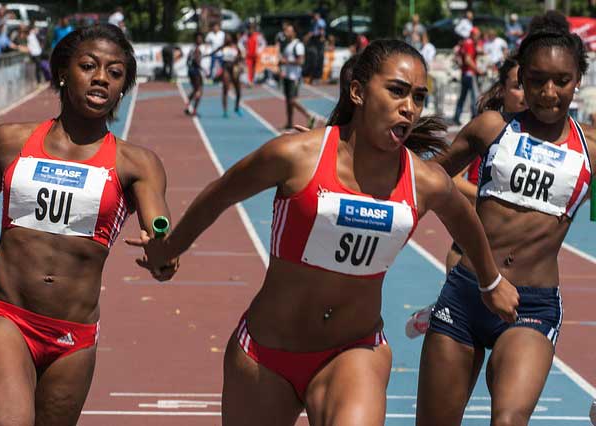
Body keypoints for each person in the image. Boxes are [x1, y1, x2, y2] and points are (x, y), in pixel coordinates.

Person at [127, 39, 518, 425]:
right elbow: (221, 194)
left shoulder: (424, 181)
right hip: (265, 354)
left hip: (353, 351)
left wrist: (491, 281)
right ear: (358, 92)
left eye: (418, 97)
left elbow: (465, 221)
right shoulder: (295, 156)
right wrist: (170, 247)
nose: (409, 107)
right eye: (397, 91)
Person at [0, 24, 176, 425]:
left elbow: (160, 232)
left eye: (115, 72)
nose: (101, 78)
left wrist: (162, 252)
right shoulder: (10, 143)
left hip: (74, 338)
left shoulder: (137, 164)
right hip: (6, 317)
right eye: (89, 66)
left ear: (123, 88)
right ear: (62, 72)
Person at [416, 12, 594, 426]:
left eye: (561, 81)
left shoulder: (590, 148)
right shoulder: (492, 128)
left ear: (578, 81)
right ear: (521, 79)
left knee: (509, 420)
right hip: (467, 293)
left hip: (532, 306)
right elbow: (423, 181)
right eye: (537, 80)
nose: (548, 93)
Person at [406, 56, 527, 338]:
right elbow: (447, 176)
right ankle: (439, 313)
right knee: (468, 324)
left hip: (509, 251)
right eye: (517, 86)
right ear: (502, 90)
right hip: (466, 246)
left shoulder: (541, 142)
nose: (525, 94)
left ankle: (439, 311)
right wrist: (490, 196)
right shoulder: (486, 132)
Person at [279, 22, 315, 130]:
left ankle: (309, 116)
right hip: (287, 76)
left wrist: (286, 62)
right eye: (285, 31)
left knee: (292, 100)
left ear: (294, 33)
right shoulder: (287, 45)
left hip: (294, 77)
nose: (285, 33)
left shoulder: (298, 45)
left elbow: (301, 61)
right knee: (288, 101)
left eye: (288, 31)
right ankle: (289, 123)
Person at [452, 26, 483, 125]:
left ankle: (456, 117)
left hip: (465, 73)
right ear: (473, 35)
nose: (478, 37)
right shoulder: (469, 43)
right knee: (474, 97)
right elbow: (468, 59)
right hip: (470, 73)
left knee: (463, 97)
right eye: (477, 35)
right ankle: (474, 117)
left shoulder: (466, 43)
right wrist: (477, 70)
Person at [220, 32, 242, 118]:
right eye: (225, 37)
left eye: (228, 37)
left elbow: (241, 56)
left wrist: (238, 61)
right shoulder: (223, 47)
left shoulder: (236, 46)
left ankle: (236, 107)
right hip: (226, 68)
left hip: (234, 69)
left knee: (238, 90)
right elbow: (214, 53)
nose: (226, 38)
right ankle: (225, 111)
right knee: (225, 89)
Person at [184, 32, 205, 117]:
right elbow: (196, 61)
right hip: (195, 71)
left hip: (191, 71)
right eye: (199, 38)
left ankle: (187, 105)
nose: (201, 40)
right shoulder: (197, 49)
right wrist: (204, 70)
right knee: (199, 90)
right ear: (196, 39)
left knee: (195, 89)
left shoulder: (192, 48)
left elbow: (187, 61)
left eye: (201, 38)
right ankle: (194, 110)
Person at [240, 21, 265, 86]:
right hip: (248, 55)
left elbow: (263, 43)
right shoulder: (245, 36)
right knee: (248, 68)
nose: (250, 30)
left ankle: (253, 80)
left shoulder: (258, 36)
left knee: (254, 68)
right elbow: (240, 43)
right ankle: (249, 81)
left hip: (255, 55)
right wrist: (243, 50)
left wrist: (259, 50)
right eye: (249, 28)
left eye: (252, 28)